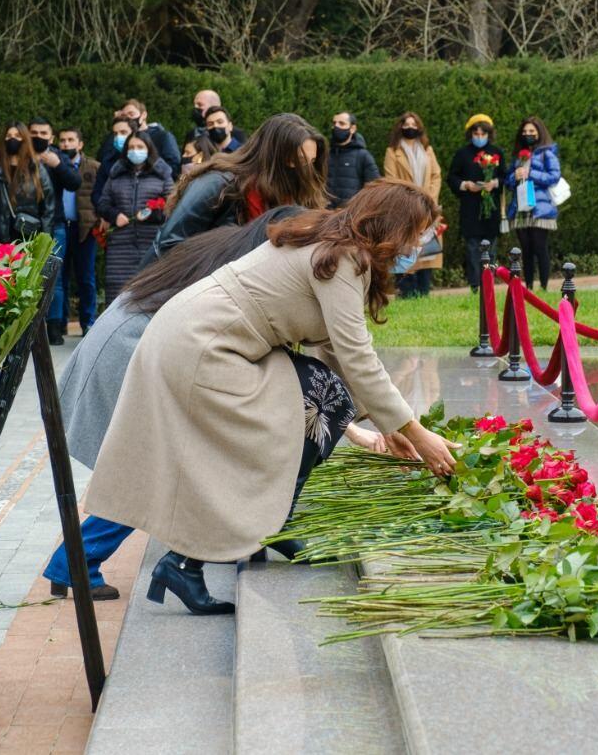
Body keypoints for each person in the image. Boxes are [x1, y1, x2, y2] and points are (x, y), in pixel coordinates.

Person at [84, 182, 460, 614]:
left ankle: (268, 526)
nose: (419, 244)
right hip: (204, 349)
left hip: (197, 339)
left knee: (320, 401)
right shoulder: (343, 259)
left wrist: (375, 426)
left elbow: (335, 351)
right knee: (293, 419)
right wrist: (413, 430)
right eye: (416, 233)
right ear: (393, 226)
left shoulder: (331, 242)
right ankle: (194, 557)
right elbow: (357, 356)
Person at [41, 208, 389, 600]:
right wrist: (353, 423)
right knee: (159, 467)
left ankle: (80, 562)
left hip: (149, 339)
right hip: (146, 345)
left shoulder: (239, 250)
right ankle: (86, 560)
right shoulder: (255, 267)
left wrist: (352, 422)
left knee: (160, 464)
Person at [141, 112, 329, 267]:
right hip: (169, 292)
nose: (305, 170)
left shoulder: (290, 198)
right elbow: (169, 245)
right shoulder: (218, 183)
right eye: (298, 161)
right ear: (272, 156)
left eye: (311, 162)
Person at [96, 131, 174, 303]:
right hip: (120, 246)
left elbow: (172, 205)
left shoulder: (162, 174)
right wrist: (114, 215)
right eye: (131, 147)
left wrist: (151, 215)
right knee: (118, 294)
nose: (135, 151)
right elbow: (103, 203)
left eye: (140, 147)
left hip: (150, 243)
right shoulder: (116, 174)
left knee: (150, 291)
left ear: (149, 149)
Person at [29, 117, 81, 346]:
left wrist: (57, 165)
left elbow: (75, 182)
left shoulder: (57, 156)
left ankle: (55, 327)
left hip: (56, 224)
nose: (38, 137)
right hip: (28, 224)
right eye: (34, 132)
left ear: (51, 138)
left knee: (55, 279)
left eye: (43, 133)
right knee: (28, 278)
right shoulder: (21, 156)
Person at [383, 112, 443, 298]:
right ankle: (407, 292)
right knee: (406, 248)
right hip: (405, 207)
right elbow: (391, 180)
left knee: (427, 249)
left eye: (413, 124)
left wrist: (429, 198)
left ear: (419, 127)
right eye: (406, 124)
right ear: (400, 127)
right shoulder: (392, 152)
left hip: (428, 207)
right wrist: (411, 200)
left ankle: (424, 291)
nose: (410, 127)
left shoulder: (428, 150)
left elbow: (435, 176)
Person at [446, 114, 505, 291]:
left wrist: (494, 183)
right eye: (476, 133)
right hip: (470, 209)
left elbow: (504, 177)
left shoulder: (497, 152)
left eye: (483, 133)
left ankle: (489, 282)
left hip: (491, 209)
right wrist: (466, 185)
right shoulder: (462, 154)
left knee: (491, 248)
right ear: (471, 134)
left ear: (489, 134)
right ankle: (474, 284)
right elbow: (452, 177)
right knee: (472, 249)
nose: (479, 137)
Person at [503, 116, 561, 290]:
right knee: (525, 249)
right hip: (520, 207)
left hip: (540, 207)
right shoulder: (517, 157)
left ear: (539, 132)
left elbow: (554, 176)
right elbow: (508, 181)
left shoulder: (547, 153)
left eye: (532, 131)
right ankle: (528, 286)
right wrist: (515, 176)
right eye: (525, 131)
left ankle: (544, 286)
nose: (528, 134)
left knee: (539, 247)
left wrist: (531, 174)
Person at [0, 123, 56, 248]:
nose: (13, 139)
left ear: (24, 139)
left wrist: (44, 246)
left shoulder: (36, 169)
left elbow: (48, 210)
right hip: (1, 242)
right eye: (9, 136)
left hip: (29, 241)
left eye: (17, 136)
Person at [57, 127, 102, 330]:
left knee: (86, 278)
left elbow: (101, 196)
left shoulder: (93, 167)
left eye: (71, 140)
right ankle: (61, 322)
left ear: (80, 144)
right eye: (63, 140)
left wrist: (97, 218)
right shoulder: (55, 165)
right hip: (59, 227)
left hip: (84, 228)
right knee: (60, 277)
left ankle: (88, 323)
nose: (66, 144)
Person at [326, 111, 380, 207]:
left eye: (341, 123)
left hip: (350, 216)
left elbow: (375, 188)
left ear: (352, 129)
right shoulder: (325, 155)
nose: (336, 127)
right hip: (324, 215)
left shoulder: (363, 156)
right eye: (334, 123)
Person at [119, 98, 181, 174]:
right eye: (124, 116)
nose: (128, 118)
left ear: (143, 115)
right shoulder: (124, 139)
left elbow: (174, 165)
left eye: (131, 114)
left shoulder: (163, 137)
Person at [91, 111, 135, 215]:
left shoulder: (148, 160)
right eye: (115, 134)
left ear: (134, 133)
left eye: (123, 132)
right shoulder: (107, 161)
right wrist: (108, 214)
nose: (119, 137)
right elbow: (97, 194)